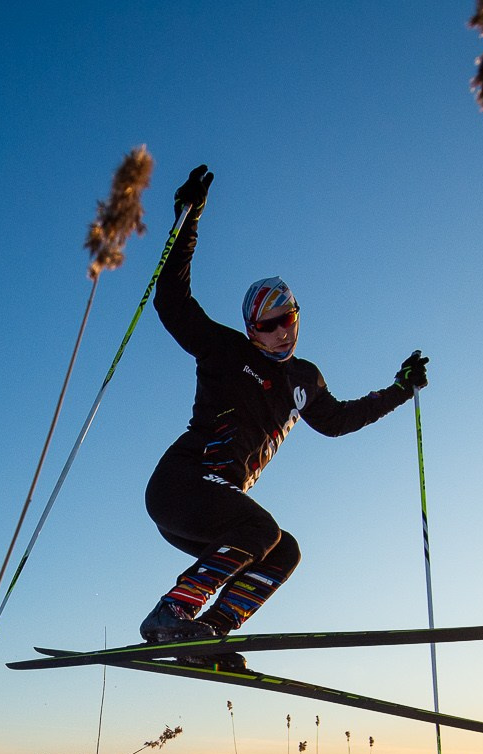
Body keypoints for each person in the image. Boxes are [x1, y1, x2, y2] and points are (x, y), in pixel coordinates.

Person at [140, 163, 429, 671]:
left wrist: (400, 391)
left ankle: (208, 635)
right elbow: (172, 300)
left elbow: (339, 420)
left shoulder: (305, 380)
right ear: (252, 329)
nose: (280, 334)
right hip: (182, 487)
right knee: (260, 530)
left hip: (217, 504)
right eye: (268, 326)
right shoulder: (227, 352)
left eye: (287, 320)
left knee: (283, 550)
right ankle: (172, 612)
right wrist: (189, 219)